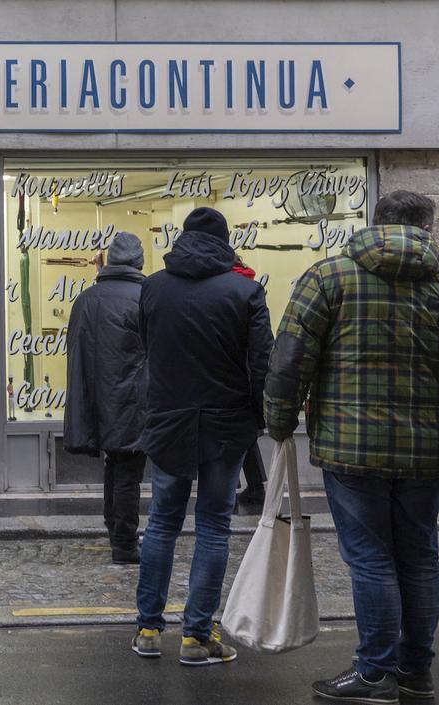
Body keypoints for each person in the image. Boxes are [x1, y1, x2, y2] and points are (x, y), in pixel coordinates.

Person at [266, 191, 439, 703]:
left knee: (371, 558)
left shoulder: (328, 277)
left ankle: (375, 671)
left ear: (375, 221)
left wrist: (278, 421)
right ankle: (414, 671)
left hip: (350, 445)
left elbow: (291, 358)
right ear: (427, 226)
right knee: (420, 557)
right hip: (426, 447)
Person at [130, 207, 272, 666]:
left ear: (183, 238)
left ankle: (148, 628)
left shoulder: (152, 287)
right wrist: (260, 418)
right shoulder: (246, 290)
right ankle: (196, 636)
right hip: (226, 425)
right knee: (214, 525)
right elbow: (261, 365)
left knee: (162, 524)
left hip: (169, 421)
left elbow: (147, 350)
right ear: (225, 242)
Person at [62, 232, 148, 564]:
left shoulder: (86, 299)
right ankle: (125, 543)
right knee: (128, 471)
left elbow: (75, 353)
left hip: (97, 399)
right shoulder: (143, 298)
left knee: (114, 466)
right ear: (139, 262)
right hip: (131, 401)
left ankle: (115, 527)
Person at [231, 255, 268, 509]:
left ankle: (232, 488)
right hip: (249, 374)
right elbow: (263, 343)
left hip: (230, 370)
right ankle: (256, 486)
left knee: (231, 440)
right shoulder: (251, 287)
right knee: (248, 436)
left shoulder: (224, 286)